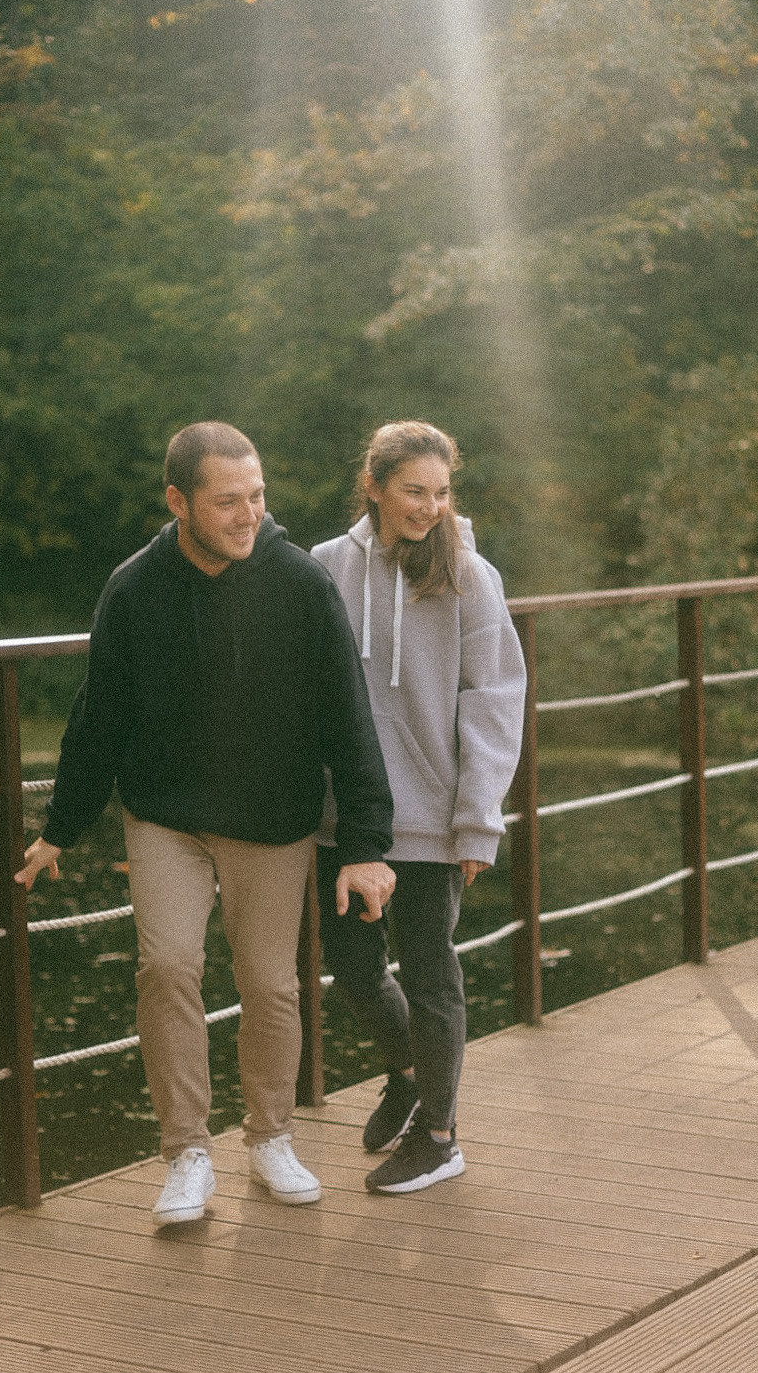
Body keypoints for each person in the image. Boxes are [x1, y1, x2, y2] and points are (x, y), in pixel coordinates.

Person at [15, 422, 395, 1225]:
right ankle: (186, 1153)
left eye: (257, 496)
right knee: (167, 967)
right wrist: (61, 826)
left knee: (269, 984)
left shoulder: (300, 585)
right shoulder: (133, 588)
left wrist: (365, 845)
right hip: (167, 817)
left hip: (272, 817)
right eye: (227, 501)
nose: (248, 514)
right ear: (178, 501)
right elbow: (100, 719)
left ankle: (269, 1138)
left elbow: (348, 720)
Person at [312, 421, 526, 1194]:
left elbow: (496, 700)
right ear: (374, 486)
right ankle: (406, 1072)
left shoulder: (469, 572)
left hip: (435, 814)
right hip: (347, 816)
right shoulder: (327, 567)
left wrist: (478, 816)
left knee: (432, 973)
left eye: (441, 491)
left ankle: (439, 1135)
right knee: (354, 968)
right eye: (414, 490)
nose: (430, 506)